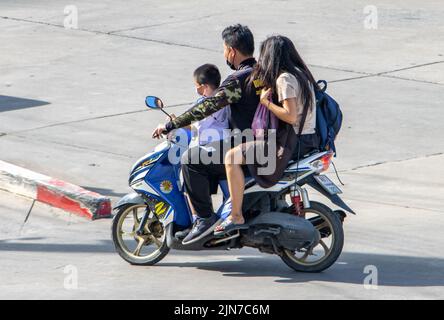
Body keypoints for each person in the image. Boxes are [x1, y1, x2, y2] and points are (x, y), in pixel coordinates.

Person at [152, 24, 264, 244]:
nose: (224, 54)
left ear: (231, 50)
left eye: (224, 49)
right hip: (265, 141)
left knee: (191, 160)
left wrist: (171, 124)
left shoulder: (238, 80)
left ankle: (204, 219)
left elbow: (205, 107)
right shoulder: (263, 73)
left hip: (247, 144)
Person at [214, 35, 320, 234]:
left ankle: (235, 215)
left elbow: (290, 116)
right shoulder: (302, 74)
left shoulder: (284, 79)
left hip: (292, 142)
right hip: (308, 139)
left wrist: (266, 103)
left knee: (231, 157)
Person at [188, 64, 229, 148]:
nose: (196, 88)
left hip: (211, 148)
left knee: (186, 158)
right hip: (220, 144)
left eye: (197, 85)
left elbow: (194, 127)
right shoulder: (222, 97)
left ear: (205, 87)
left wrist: (172, 125)